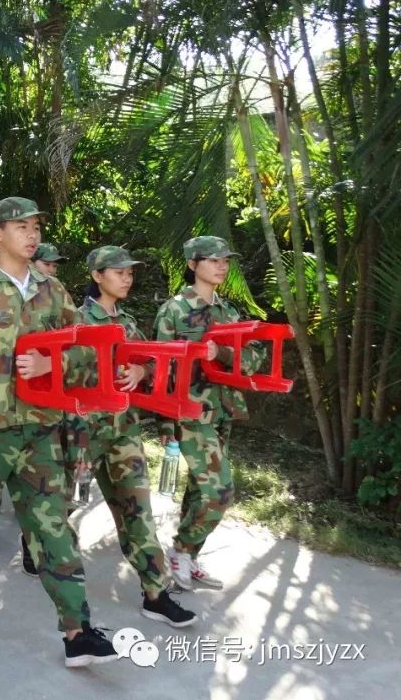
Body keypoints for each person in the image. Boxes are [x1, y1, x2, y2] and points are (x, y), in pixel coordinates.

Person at [0, 196, 118, 669]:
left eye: (36, 226)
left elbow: (87, 350)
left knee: (53, 529)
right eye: (20, 226)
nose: (32, 234)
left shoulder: (54, 290)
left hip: (40, 429)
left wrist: (53, 362)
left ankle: (77, 631)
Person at [71, 246, 196, 627]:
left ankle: (155, 593)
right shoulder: (76, 319)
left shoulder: (127, 321)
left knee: (138, 512)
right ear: (97, 275)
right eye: (118, 271)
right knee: (56, 512)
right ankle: (66, 605)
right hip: (83, 432)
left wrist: (140, 374)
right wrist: (75, 443)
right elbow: (65, 378)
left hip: (123, 431)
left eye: (130, 272)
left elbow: (146, 358)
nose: (127, 277)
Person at [154, 236, 266, 592]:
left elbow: (252, 359)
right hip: (189, 413)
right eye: (213, 260)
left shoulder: (229, 313)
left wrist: (222, 354)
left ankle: (189, 557)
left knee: (198, 492)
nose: (222, 265)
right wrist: (163, 422)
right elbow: (160, 366)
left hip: (222, 411)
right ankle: (180, 551)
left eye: (225, 260)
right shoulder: (173, 310)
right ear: (193, 265)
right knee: (220, 492)